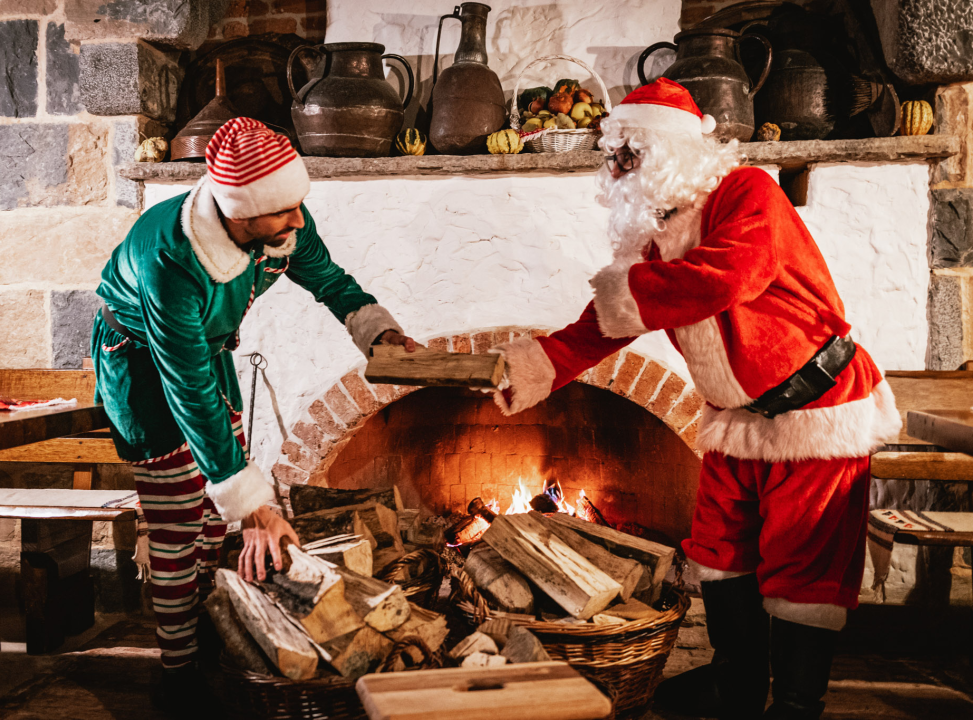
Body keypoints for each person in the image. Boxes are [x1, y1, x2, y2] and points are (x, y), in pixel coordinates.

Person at [489, 78, 901, 720]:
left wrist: (631, 291)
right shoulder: (655, 240)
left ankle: (795, 703)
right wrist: (541, 365)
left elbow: (729, 276)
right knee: (717, 551)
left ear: (674, 149)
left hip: (818, 410)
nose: (618, 165)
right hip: (734, 420)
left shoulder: (748, 192)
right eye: (613, 153)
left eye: (632, 152)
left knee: (804, 571)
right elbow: (610, 317)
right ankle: (735, 685)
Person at [91, 118, 415, 711]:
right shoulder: (170, 256)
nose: (298, 219)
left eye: (298, 205)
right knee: (178, 525)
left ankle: (219, 636)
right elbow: (185, 388)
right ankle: (179, 673)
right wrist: (258, 507)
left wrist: (382, 336)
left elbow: (330, 281)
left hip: (204, 356)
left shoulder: (281, 220)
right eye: (283, 212)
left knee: (217, 523)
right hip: (140, 370)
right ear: (240, 214)